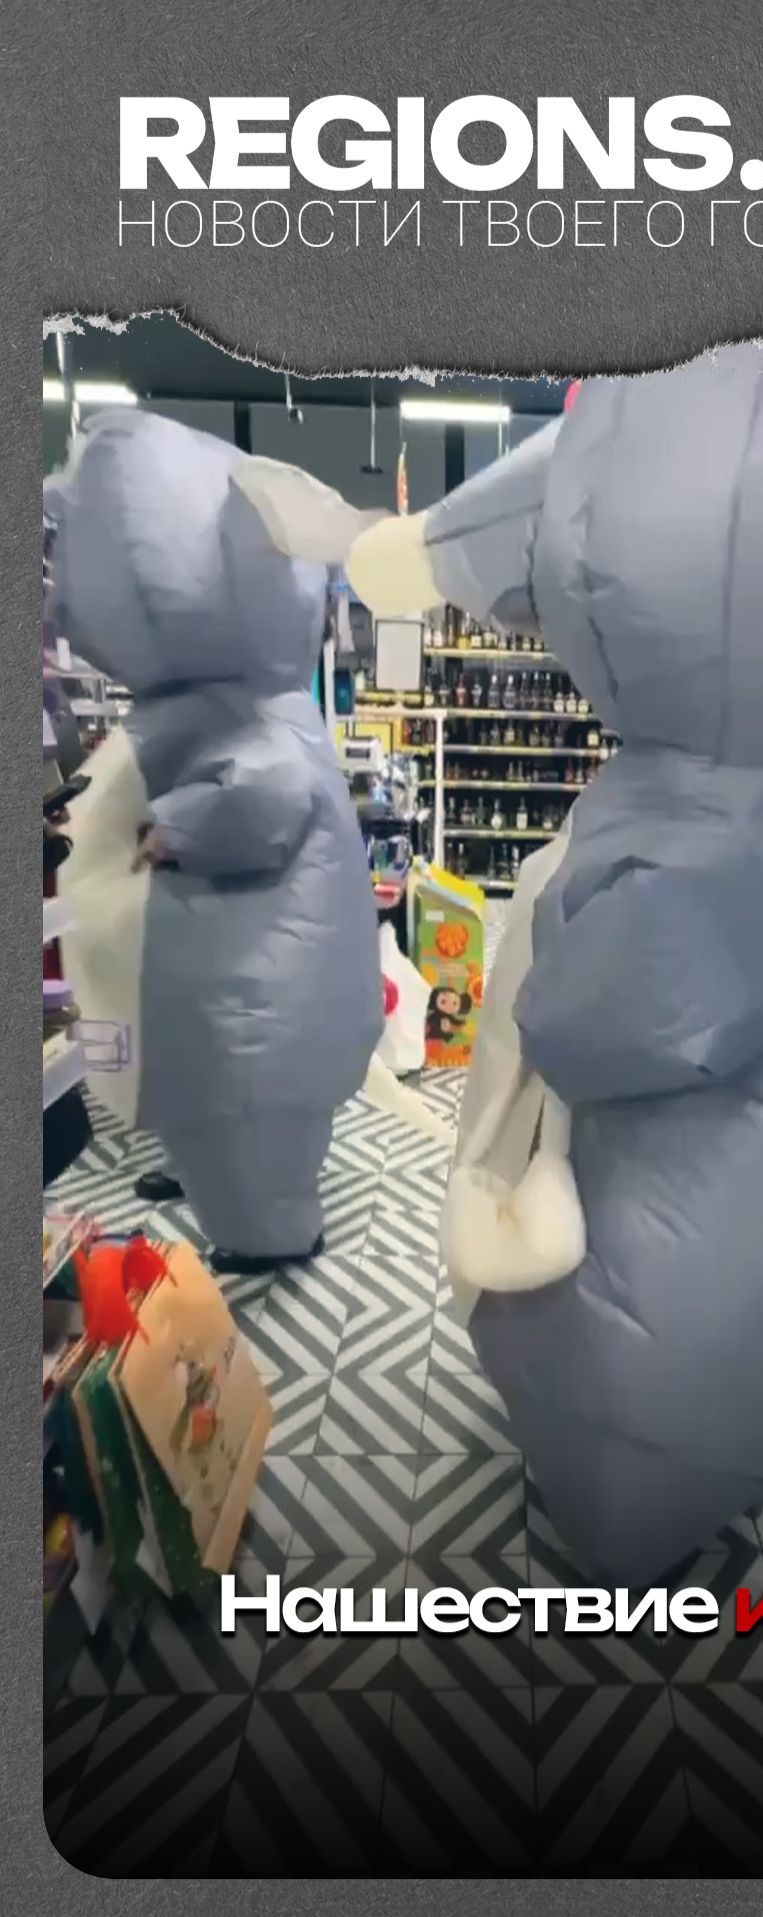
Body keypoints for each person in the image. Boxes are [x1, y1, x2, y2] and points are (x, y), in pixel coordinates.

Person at [234, 316, 763, 1582]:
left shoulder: (742, 828)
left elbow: (629, 1012)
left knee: (679, 1269)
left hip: (675, 1206)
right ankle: (740, 1433)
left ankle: (645, 1503)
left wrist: (559, 977)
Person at [45, 410, 384, 1275]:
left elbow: (267, 797)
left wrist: (175, 828)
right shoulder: (220, 698)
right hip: (223, 980)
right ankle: (199, 1167)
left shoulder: (259, 712)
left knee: (250, 1116)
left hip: (264, 988)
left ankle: (272, 1229)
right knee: (204, 1088)